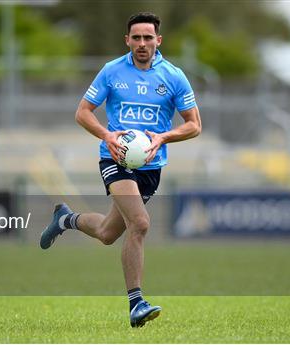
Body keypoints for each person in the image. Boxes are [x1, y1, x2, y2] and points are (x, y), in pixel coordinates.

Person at [40, 12, 201, 327]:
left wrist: (165, 136)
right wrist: (106, 135)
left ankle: (65, 219)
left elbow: (194, 125)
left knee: (107, 233)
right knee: (139, 224)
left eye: (148, 37)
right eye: (136, 38)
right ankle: (136, 303)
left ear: (158, 40)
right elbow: (83, 112)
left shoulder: (174, 76)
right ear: (127, 40)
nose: (142, 44)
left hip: (151, 167)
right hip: (114, 159)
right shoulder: (112, 71)